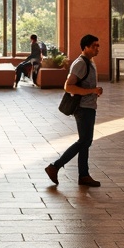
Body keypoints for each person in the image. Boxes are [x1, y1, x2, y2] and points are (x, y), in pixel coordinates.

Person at [45, 34, 103, 188]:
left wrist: (94, 91)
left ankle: (84, 175)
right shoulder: (80, 63)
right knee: (84, 141)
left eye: (98, 45)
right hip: (83, 108)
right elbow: (68, 86)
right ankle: (55, 166)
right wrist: (92, 90)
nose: (97, 48)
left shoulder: (90, 62)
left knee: (86, 142)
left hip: (89, 106)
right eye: (94, 46)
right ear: (85, 47)